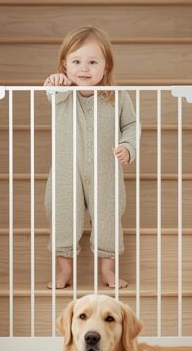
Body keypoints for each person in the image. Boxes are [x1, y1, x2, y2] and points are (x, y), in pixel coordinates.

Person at [43, 26, 137, 289]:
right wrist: (55, 81)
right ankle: (64, 271)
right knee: (63, 214)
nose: (84, 69)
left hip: (104, 170)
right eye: (76, 62)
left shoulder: (116, 96)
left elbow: (131, 125)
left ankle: (108, 271)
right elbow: (50, 92)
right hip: (66, 170)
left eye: (93, 62)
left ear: (105, 67)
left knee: (108, 215)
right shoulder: (61, 94)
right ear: (64, 65)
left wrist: (128, 147)